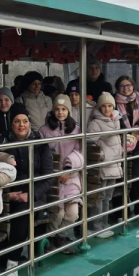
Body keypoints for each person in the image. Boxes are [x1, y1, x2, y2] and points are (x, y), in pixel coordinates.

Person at [0, 104, 54, 276]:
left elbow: (48, 178)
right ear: (11, 124)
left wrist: (30, 195)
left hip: (35, 196)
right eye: (17, 121)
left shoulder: (40, 143)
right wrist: (9, 195)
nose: (21, 125)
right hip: (10, 195)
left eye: (24, 121)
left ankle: (12, 263)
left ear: (29, 122)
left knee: (23, 212)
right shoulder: (4, 143)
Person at [39, 95, 86, 245]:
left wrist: (68, 170)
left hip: (71, 178)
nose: (60, 112)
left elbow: (79, 152)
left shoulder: (76, 129)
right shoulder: (44, 130)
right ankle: (51, 239)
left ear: (69, 110)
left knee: (73, 214)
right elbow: (42, 154)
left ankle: (60, 236)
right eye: (57, 109)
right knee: (57, 214)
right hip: (53, 180)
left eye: (64, 109)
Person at [114, 75, 139, 215]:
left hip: (138, 142)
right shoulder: (113, 101)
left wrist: (138, 127)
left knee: (138, 176)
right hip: (119, 143)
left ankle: (138, 208)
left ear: (133, 87)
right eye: (122, 86)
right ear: (117, 88)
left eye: (128, 85)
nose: (125, 89)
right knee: (119, 178)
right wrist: (124, 133)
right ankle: (119, 212)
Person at [87, 92, 123, 238]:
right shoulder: (95, 123)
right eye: (104, 106)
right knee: (99, 197)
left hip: (114, 164)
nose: (107, 109)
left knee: (108, 196)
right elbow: (90, 143)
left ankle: (105, 223)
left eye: (109, 106)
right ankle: (96, 226)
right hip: (103, 165)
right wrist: (101, 155)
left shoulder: (116, 120)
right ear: (99, 107)